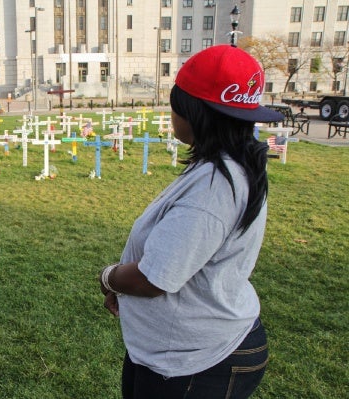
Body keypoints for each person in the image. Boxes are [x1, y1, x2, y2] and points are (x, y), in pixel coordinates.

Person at [99, 44, 284, 399]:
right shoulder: (222, 166)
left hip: (198, 362)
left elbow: (155, 278)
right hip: (176, 353)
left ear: (194, 111)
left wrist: (109, 277)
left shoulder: (214, 188)